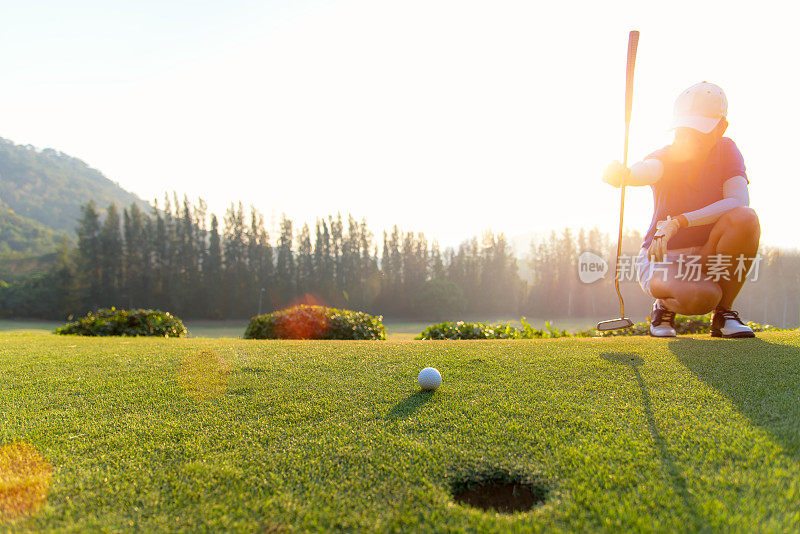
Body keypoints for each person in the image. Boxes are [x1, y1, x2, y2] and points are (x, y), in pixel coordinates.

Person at [602, 81, 759, 338]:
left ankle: (724, 314)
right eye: (683, 129)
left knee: (746, 219)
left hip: (707, 255)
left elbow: (738, 201)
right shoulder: (666, 155)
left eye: (698, 130)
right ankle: (662, 307)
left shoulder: (727, 150)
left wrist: (679, 221)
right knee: (703, 297)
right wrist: (626, 175)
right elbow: (648, 170)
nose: (687, 137)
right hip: (662, 257)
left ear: (721, 128)